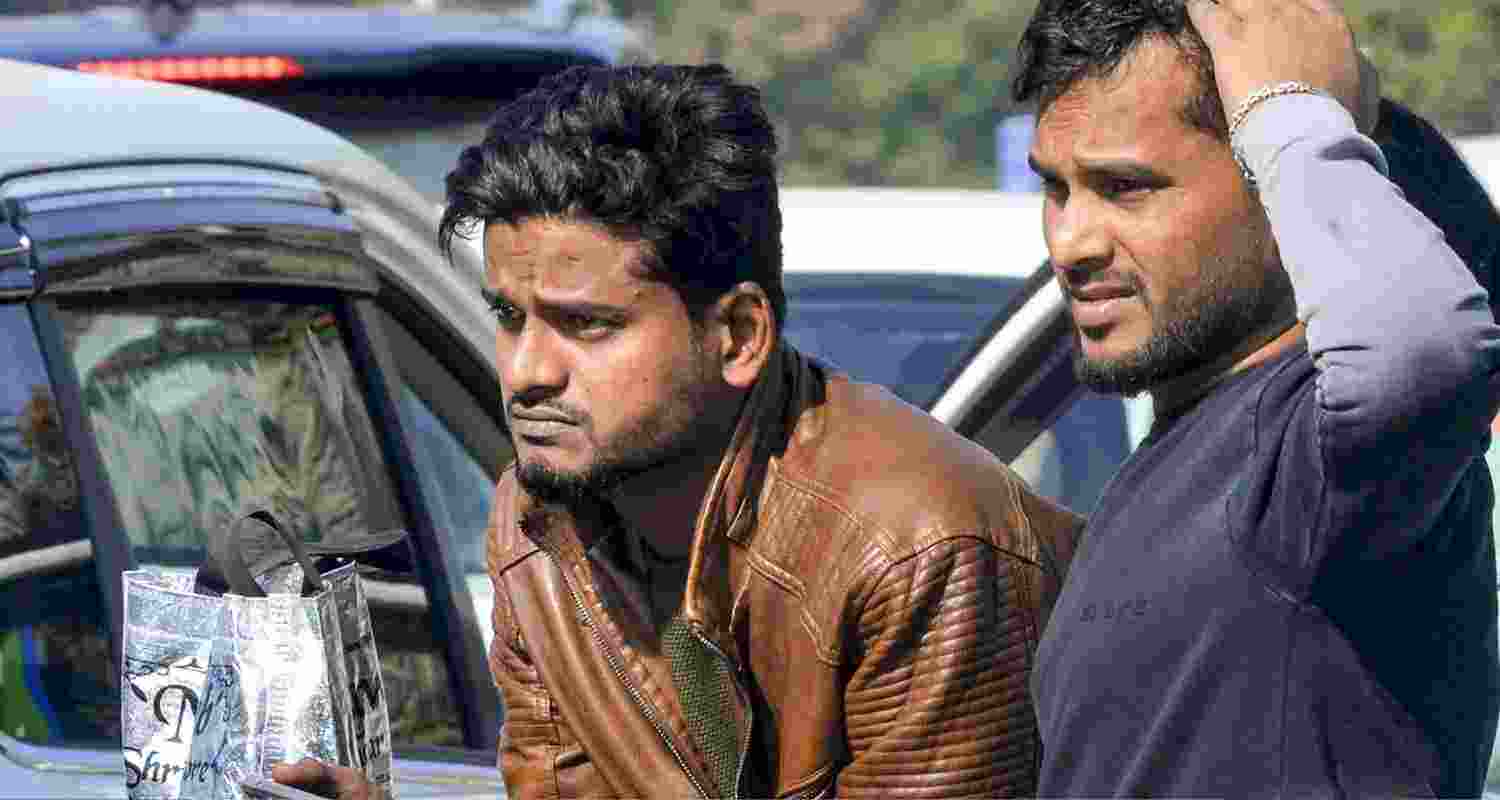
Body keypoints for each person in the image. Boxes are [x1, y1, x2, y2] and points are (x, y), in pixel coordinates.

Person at [274, 63, 1082, 799]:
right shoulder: (536, 524)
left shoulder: (918, 549)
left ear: (736, 335)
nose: (527, 371)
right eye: (509, 317)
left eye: (585, 325)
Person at [1013, 0, 1500, 797]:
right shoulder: (1197, 435)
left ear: (1274, 189)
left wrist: (1292, 115)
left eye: (1126, 187)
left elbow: (1432, 349)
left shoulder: (1320, 461)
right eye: (1057, 189)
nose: (1071, 242)